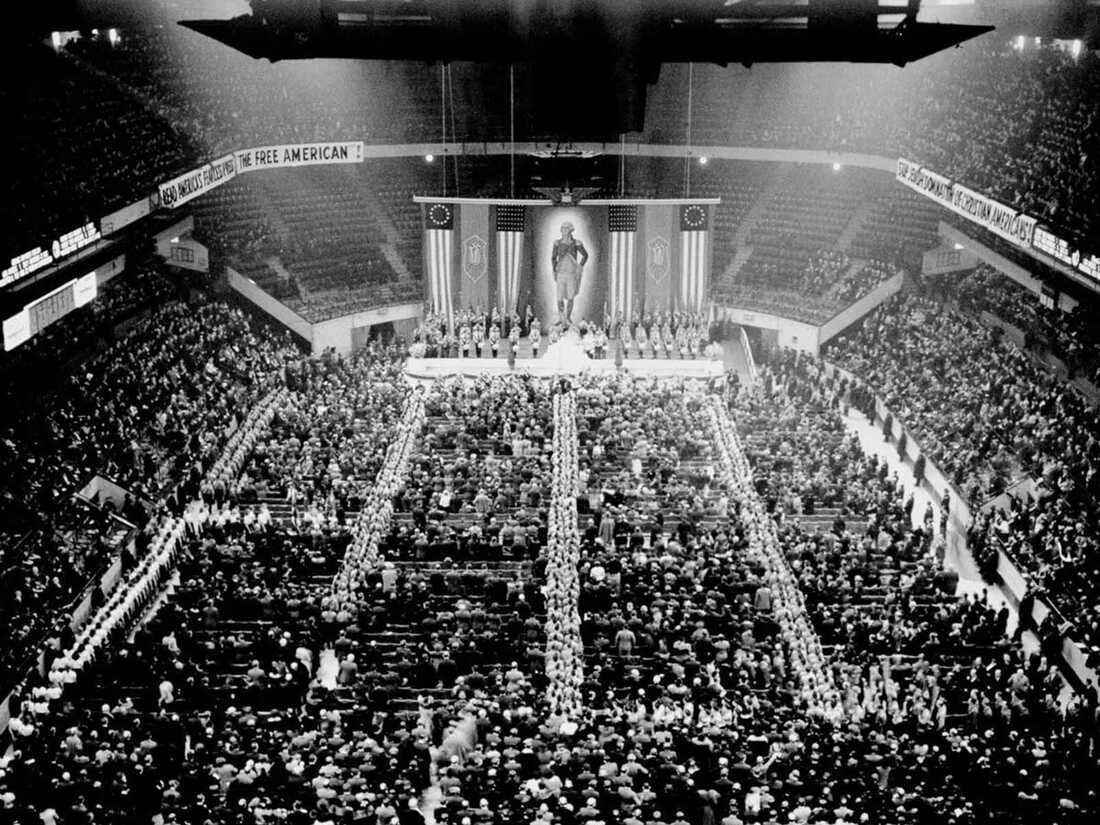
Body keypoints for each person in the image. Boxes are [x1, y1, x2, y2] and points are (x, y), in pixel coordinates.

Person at [551, 222, 588, 325]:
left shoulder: (576, 243)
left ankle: (568, 317)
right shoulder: (557, 243)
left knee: (571, 296)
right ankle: (561, 317)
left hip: (572, 273)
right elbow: (553, 258)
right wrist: (554, 270)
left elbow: (585, 255)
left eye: (566, 228)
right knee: (559, 297)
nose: (564, 230)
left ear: (571, 230)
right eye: (562, 228)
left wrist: (580, 266)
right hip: (561, 273)